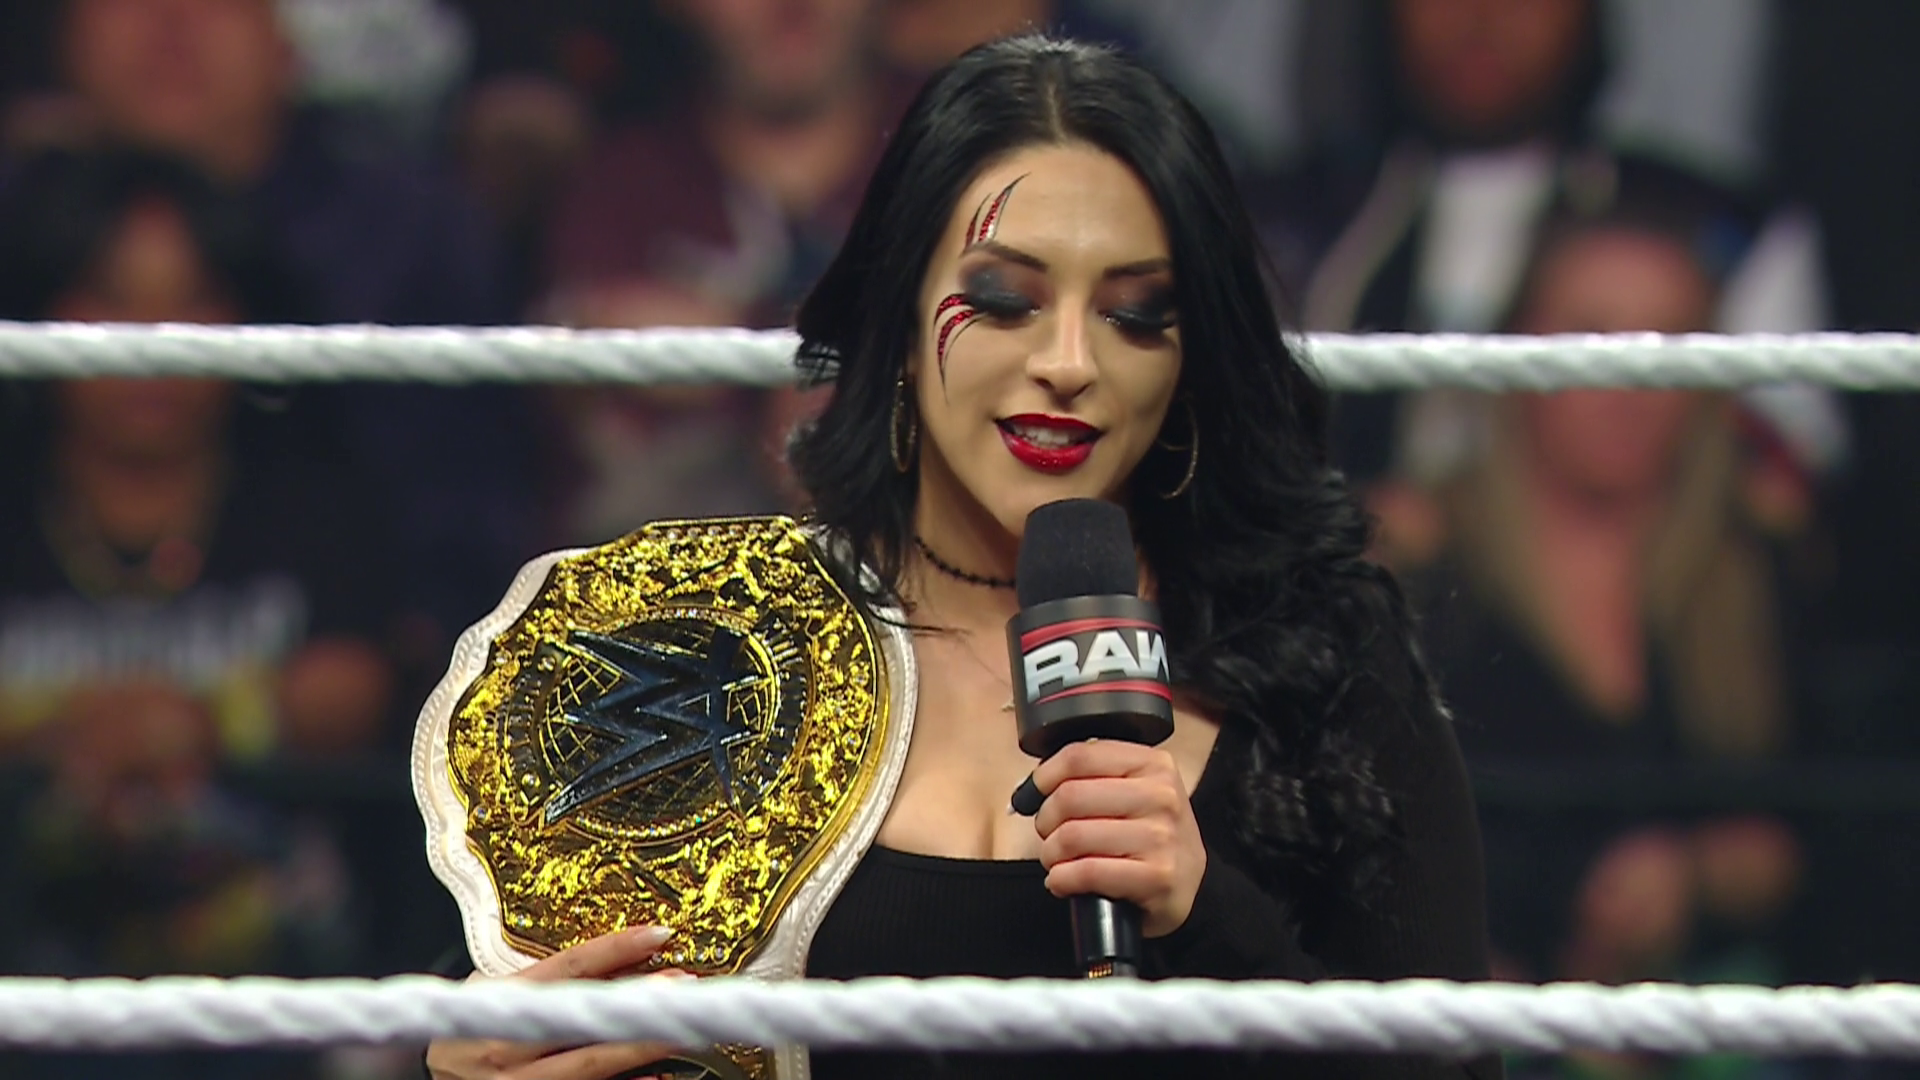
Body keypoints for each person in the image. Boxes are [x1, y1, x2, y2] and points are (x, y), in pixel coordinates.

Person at [422, 35, 1497, 1080]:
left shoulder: (1322, 657)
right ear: (898, 311)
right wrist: (461, 1071)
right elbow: (516, 1012)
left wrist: (1205, 919)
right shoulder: (700, 641)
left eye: (1135, 314)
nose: (1069, 362)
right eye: (1003, 299)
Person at [0, 147, 392, 1080]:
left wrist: (209, 722)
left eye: (191, 301)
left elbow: (360, 692)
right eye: (111, 298)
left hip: (283, 997)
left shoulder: (308, 500)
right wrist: (63, 735)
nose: (152, 343)